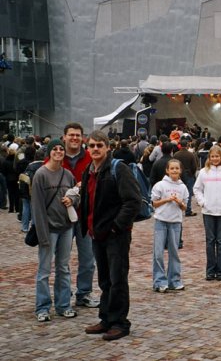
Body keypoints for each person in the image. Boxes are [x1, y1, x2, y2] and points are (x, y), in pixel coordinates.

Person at [80, 130, 141, 341]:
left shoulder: (118, 168)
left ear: (107, 147)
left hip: (116, 235)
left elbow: (134, 200)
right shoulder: (89, 170)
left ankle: (119, 322)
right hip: (97, 234)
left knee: (118, 279)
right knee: (105, 280)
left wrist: (116, 226)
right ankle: (106, 318)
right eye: (92, 146)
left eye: (99, 145)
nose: (95, 149)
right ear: (87, 148)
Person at [32, 139, 79, 322]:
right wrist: (42, 234)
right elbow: (37, 207)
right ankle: (42, 308)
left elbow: (76, 196)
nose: (58, 151)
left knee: (64, 268)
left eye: (61, 149)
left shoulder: (67, 174)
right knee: (44, 270)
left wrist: (72, 201)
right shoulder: (40, 175)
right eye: (55, 149)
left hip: (66, 227)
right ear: (49, 152)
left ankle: (63, 305)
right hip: (48, 229)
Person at [61, 122, 100, 309]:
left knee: (87, 259)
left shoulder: (90, 158)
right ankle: (63, 293)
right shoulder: (56, 156)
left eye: (78, 135)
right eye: (71, 135)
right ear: (64, 137)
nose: (74, 138)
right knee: (62, 259)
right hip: (62, 216)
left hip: (85, 215)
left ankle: (83, 293)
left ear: (82, 138)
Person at [193, 146, 221, 281]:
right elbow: (197, 189)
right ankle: (210, 270)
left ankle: (220, 270)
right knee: (210, 241)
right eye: (212, 156)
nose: (215, 159)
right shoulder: (203, 172)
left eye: (217, 156)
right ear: (209, 158)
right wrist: (202, 202)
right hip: (208, 211)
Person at [151, 159, 189, 292]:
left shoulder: (183, 187)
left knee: (174, 252)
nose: (174, 171)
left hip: (175, 222)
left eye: (176, 168)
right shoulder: (160, 185)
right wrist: (167, 200)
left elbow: (184, 207)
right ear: (167, 170)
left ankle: (174, 280)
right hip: (161, 221)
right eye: (172, 168)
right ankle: (159, 281)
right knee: (158, 253)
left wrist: (179, 202)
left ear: (180, 171)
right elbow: (154, 203)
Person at [173, 139, 198, 216]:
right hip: (188, 174)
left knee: (176, 192)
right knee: (189, 193)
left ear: (180, 145)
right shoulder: (191, 155)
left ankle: (176, 209)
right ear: (187, 146)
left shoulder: (176, 154)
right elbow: (194, 166)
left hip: (178, 174)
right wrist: (192, 173)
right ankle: (188, 210)